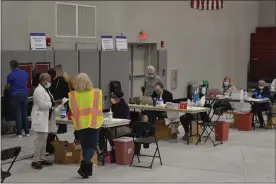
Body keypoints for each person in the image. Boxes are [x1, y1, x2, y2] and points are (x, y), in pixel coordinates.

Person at [68, 73, 103, 178]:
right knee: (92, 147)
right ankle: (85, 166)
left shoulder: (72, 95)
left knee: (85, 147)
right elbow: (101, 107)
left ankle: (87, 171)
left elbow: (72, 111)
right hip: (93, 123)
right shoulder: (97, 93)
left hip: (80, 125)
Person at [31, 73, 62, 169]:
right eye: (49, 80)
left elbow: (49, 102)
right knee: (41, 139)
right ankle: (35, 160)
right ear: (43, 80)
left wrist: (55, 102)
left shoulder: (45, 90)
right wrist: (54, 103)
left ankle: (42, 158)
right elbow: (42, 105)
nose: (50, 82)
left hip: (46, 117)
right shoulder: (38, 90)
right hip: (40, 117)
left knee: (44, 139)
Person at [6, 60, 29, 138]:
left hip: (15, 95)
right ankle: (27, 132)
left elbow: (8, 87)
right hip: (25, 95)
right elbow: (25, 82)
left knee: (18, 113)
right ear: (18, 65)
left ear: (11, 66)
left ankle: (19, 133)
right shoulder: (25, 73)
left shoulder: (11, 75)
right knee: (24, 113)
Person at [49, 65, 72, 133]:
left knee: (58, 116)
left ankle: (60, 128)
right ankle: (63, 129)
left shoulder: (55, 81)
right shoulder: (67, 80)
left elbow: (51, 90)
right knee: (63, 115)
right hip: (65, 99)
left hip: (58, 100)